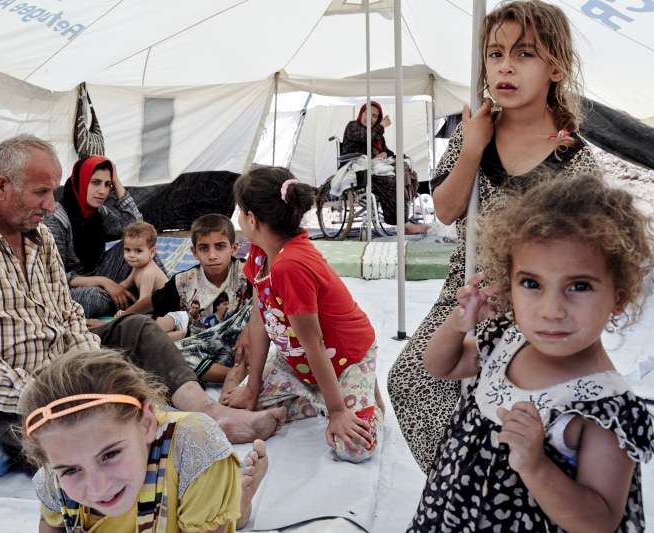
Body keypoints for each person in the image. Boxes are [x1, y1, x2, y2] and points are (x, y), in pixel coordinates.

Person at [0, 135, 284, 462]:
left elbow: (67, 316)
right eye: (41, 192)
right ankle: (168, 435)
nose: (50, 204)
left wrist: (89, 367)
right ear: (1, 188)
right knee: (78, 435)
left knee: (137, 328)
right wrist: (48, 393)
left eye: (53, 192)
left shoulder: (38, 235)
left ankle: (208, 413)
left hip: (57, 365)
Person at [387, 0, 601, 473]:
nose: (505, 65)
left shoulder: (574, 160)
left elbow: (587, 260)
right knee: (411, 379)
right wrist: (473, 148)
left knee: (510, 411)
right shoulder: (474, 133)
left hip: (535, 309)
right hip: (465, 293)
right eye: (494, 53)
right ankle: (457, 485)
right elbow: (444, 210)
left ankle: (505, 491)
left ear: (556, 67)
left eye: (524, 54)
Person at [406, 174, 654, 532]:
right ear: (509, 282)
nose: (551, 310)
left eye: (579, 286)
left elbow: (599, 522)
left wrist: (536, 466)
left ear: (618, 297)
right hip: (449, 514)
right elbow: (439, 366)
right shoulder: (508, 341)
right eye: (532, 284)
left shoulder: (604, 408)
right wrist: (458, 324)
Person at [222, 167, 381, 463]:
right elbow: (260, 321)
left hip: (345, 357)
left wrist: (336, 412)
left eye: (240, 214)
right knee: (241, 408)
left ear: (252, 220)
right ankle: (322, 396)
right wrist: (253, 388)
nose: (240, 221)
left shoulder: (292, 266)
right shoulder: (258, 255)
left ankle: (355, 393)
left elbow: (315, 343)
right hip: (300, 360)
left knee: (355, 449)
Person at [21, 349, 268, 533]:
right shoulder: (53, 476)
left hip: (186, 504)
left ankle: (235, 506)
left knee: (214, 513)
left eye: (110, 455)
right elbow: (51, 525)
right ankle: (235, 505)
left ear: (147, 423)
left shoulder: (193, 447)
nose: (99, 487)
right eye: (71, 470)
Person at [146, 214, 255, 384]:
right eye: (204, 248)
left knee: (258, 304)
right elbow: (153, 303)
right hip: (203, 349)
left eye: (220, 247)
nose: (212, 255)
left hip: (242, 344)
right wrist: (120, 319)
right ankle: (237, 375)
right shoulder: (183, 281)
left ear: (233, 248)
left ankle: (246, 371)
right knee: (170, 355)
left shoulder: (247, 273)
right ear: (194, 252)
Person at [45, 155, 142, 318]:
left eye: (107, 185)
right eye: (95, 182)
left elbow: (138, 230)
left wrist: (117, 182)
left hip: (97, 275)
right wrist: (104, 282)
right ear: (81, 181)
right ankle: (140, 300)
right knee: (95, 298)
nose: (102, 191)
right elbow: (55, 276)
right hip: (66, 288)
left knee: (141, 249)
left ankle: (166, 296)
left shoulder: (99, 212)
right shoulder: (56, 218)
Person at [340, 100, 427, 235]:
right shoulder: (353, 127)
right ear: (362, 113)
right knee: (391, 181)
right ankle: (403, 225)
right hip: (357, 170)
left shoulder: (378, 135)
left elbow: (386, 151)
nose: (370, 118)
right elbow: (365, 137)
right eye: (367, 113)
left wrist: (390, 156)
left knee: (408, 174)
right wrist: (381, 126)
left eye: (375, 116)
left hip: (376, 169)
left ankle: (404, 218)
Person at [113, 221, 167, 318]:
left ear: (152, 252)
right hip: (154, 309)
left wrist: (124, 315)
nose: (132, 255)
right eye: (127, 250)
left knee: (148, 327)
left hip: (170, 312)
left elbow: (142, 303)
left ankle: (177, 333)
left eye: (138, 251)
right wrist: (111, 290)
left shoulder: (148, 273)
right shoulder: (137, 267)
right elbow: (125, 284)